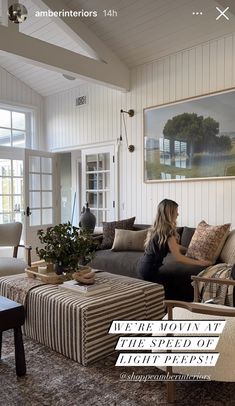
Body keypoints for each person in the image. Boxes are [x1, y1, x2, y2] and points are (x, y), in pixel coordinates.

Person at [137, 199, 211, 283]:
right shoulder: (168, 232)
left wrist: (189, 250)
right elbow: (179, 257)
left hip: (142, 266)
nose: (178, 214)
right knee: (161, 292)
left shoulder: (156, 229)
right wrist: (201, 263)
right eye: (176, 211)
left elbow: (173, 246)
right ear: (169, 214)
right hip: (150, 270)